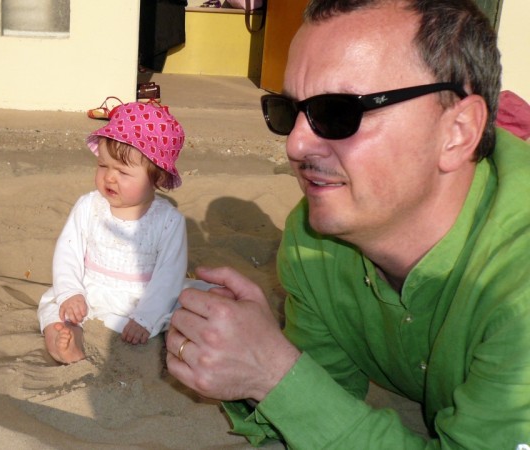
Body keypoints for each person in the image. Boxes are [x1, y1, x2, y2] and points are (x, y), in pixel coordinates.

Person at [165, 0, 530, 448]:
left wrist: (273, 375)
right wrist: (250, 363)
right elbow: (320, 403)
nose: (296, 145)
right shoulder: (314, 241)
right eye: (288, 111)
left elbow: (297, 393)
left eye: (338, 112)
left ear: (457, 131)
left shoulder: (518, 288)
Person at [38, 101, 189, 364]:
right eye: (103, 165)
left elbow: (169, 275)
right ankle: (68, 343)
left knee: (183, 315)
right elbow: (68, 252)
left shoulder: (168, 222)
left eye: (122, 171)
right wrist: (71, 292)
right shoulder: (89, 206)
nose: (109, 177)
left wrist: (145, 317)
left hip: (142, 298)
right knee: (55, 312)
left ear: (158, 178)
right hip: (89, 289)